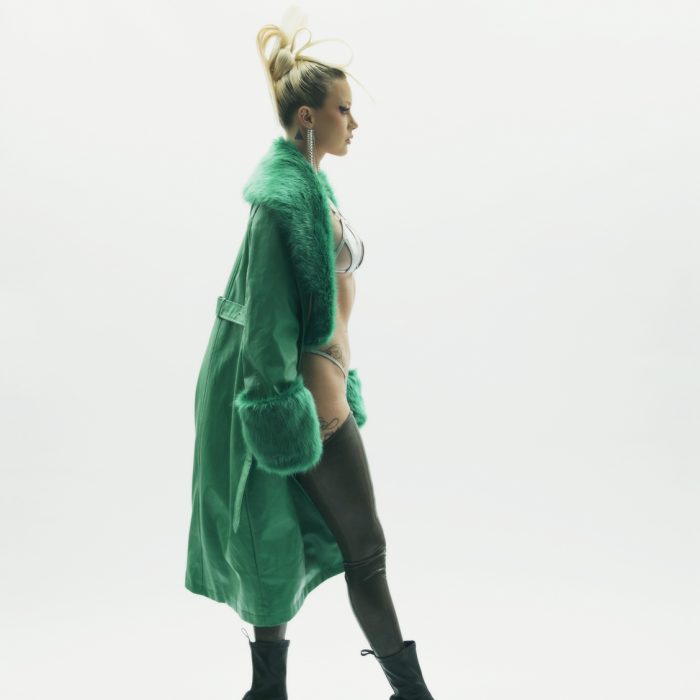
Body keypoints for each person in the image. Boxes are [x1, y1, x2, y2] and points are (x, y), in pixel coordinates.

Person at [184, 11, 435, 700]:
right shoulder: (281, 205)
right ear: (307, 117)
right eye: (343, 110)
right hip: (311, 408)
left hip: (322, 391)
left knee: (281, 536)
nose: (353, 123)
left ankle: (268, 692)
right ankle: (412, 694)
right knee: (367, 551)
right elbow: (263, 322)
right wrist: (279, 418)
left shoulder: (311, 187)